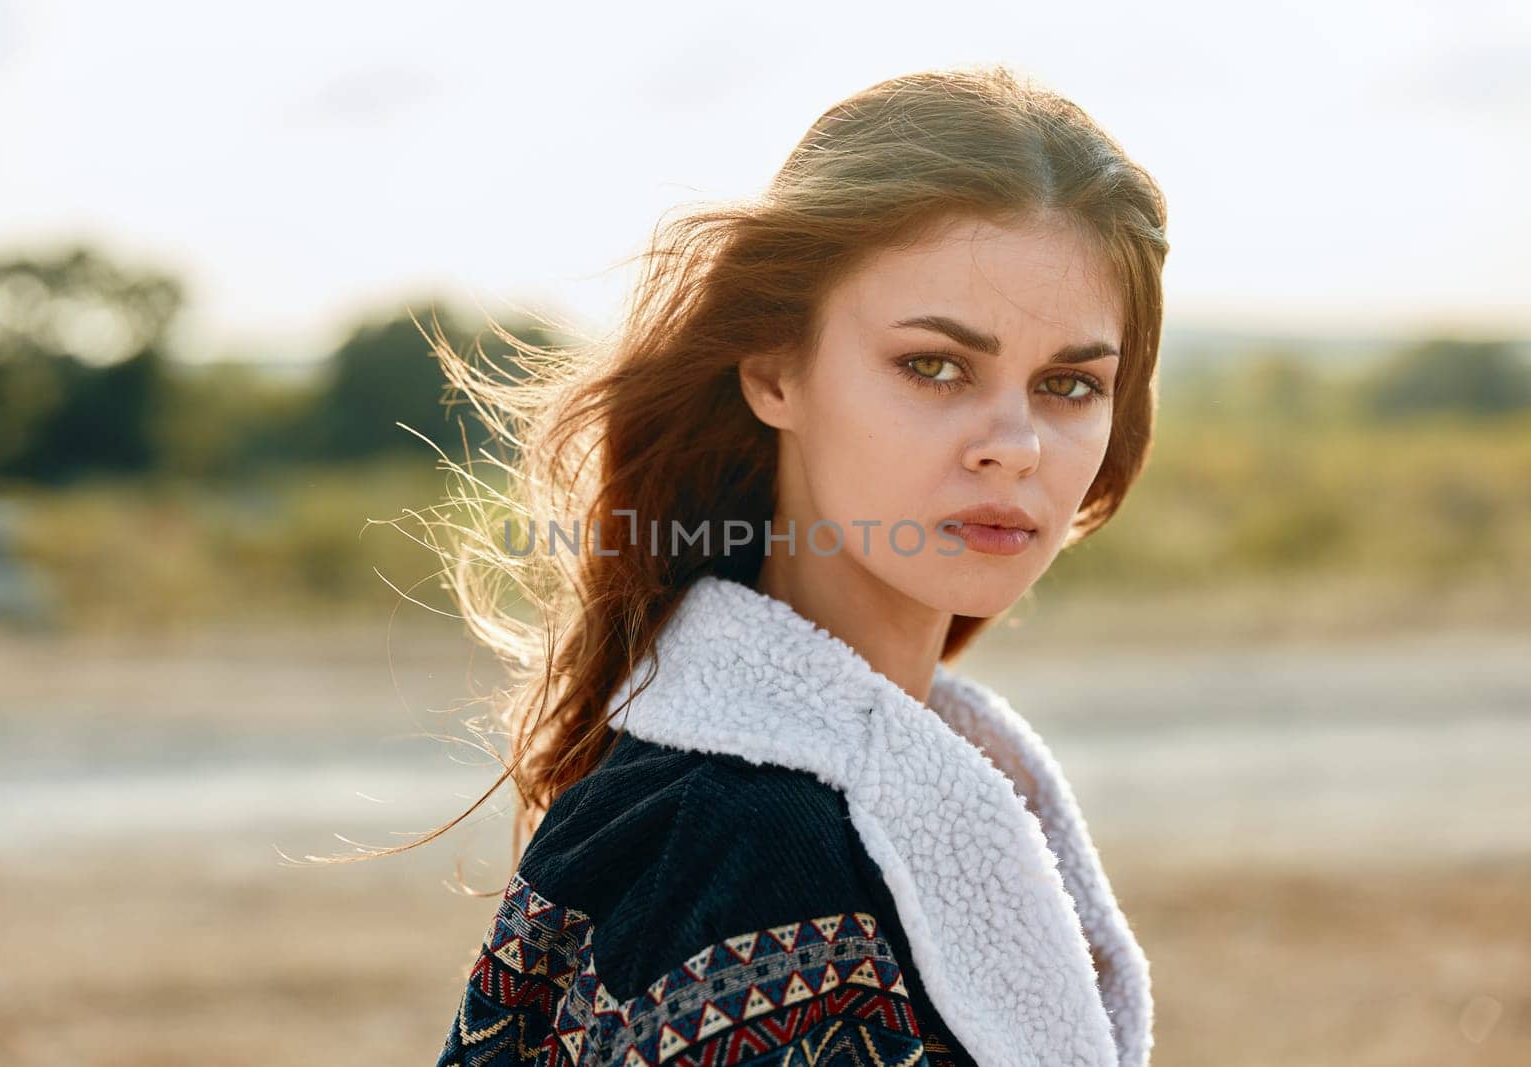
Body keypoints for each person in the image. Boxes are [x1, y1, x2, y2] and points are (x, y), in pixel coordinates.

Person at [415, 64, 1167, 1067]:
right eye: (932, 365)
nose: (1015, 443)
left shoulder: (916, 782)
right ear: (775, 370)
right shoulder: (735, 839)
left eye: (1070, 383)